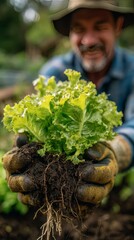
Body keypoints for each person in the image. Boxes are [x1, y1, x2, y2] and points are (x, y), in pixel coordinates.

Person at [2, 0, 134, 209]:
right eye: (79, 29)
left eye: (100, 27)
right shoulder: (54, 72)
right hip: (66, 187)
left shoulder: (132, 70)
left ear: (118, 27)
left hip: (119, 189)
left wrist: (115, 151)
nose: (89, 40)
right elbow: (37, 124)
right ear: (70, 34)